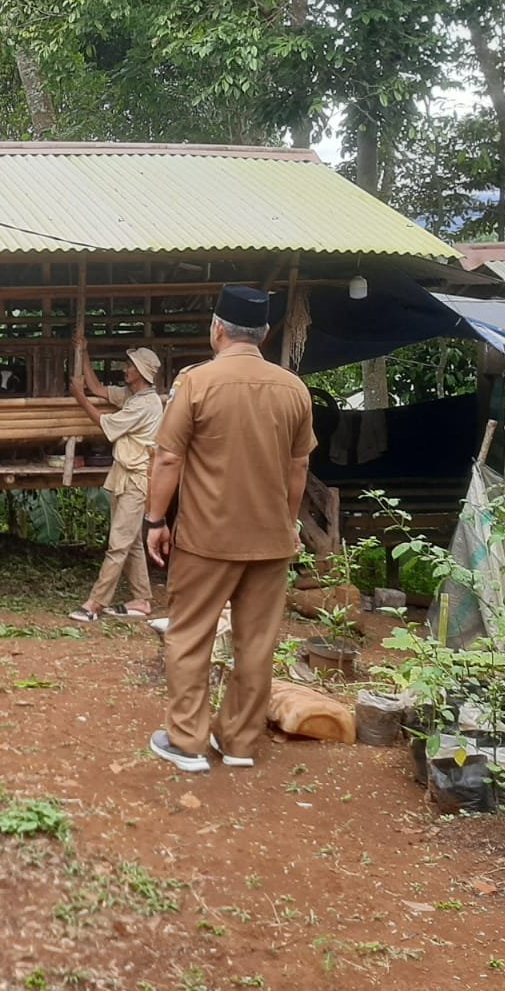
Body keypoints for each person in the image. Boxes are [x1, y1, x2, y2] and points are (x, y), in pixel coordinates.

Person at [142, 287, 313, 772]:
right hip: (270, 541)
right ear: (265, 333)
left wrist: (156, 519)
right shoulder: (293, 388)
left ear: (217, 329)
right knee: (256, 644)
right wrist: (287, 521)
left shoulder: (197, 384)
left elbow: (169, 456)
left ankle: (188, 742)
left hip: (206, 539)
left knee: (190, 635)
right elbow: (298, 466)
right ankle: (238, 742)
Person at [67, 344, 163, 623]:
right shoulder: (134, 396)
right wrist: (83, 353)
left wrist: (78, 397)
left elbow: (106, 424)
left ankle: (95, 604)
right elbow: (98, 389)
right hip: (124, 476)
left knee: (118, 543)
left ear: (141, 373)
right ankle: (142, 601)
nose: (125, 369)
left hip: (136, 479)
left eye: (130, 365)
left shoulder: (146, 405)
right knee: (131, 541)